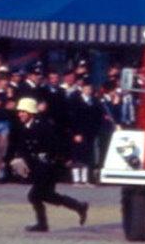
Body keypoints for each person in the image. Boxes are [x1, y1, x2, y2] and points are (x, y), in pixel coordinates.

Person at [6, 97, 88, 232]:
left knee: (34, 195)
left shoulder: (43, 126)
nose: (20, 114)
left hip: (49, 166)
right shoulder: (23, 127)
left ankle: (42, 224)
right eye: (19, 111)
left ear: (31, 112)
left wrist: (62, 159)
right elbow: (22, 147)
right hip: (39, 167)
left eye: (23, 111)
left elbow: (55, 144)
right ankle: (78, 206)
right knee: (47, 195)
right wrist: (15, 160)